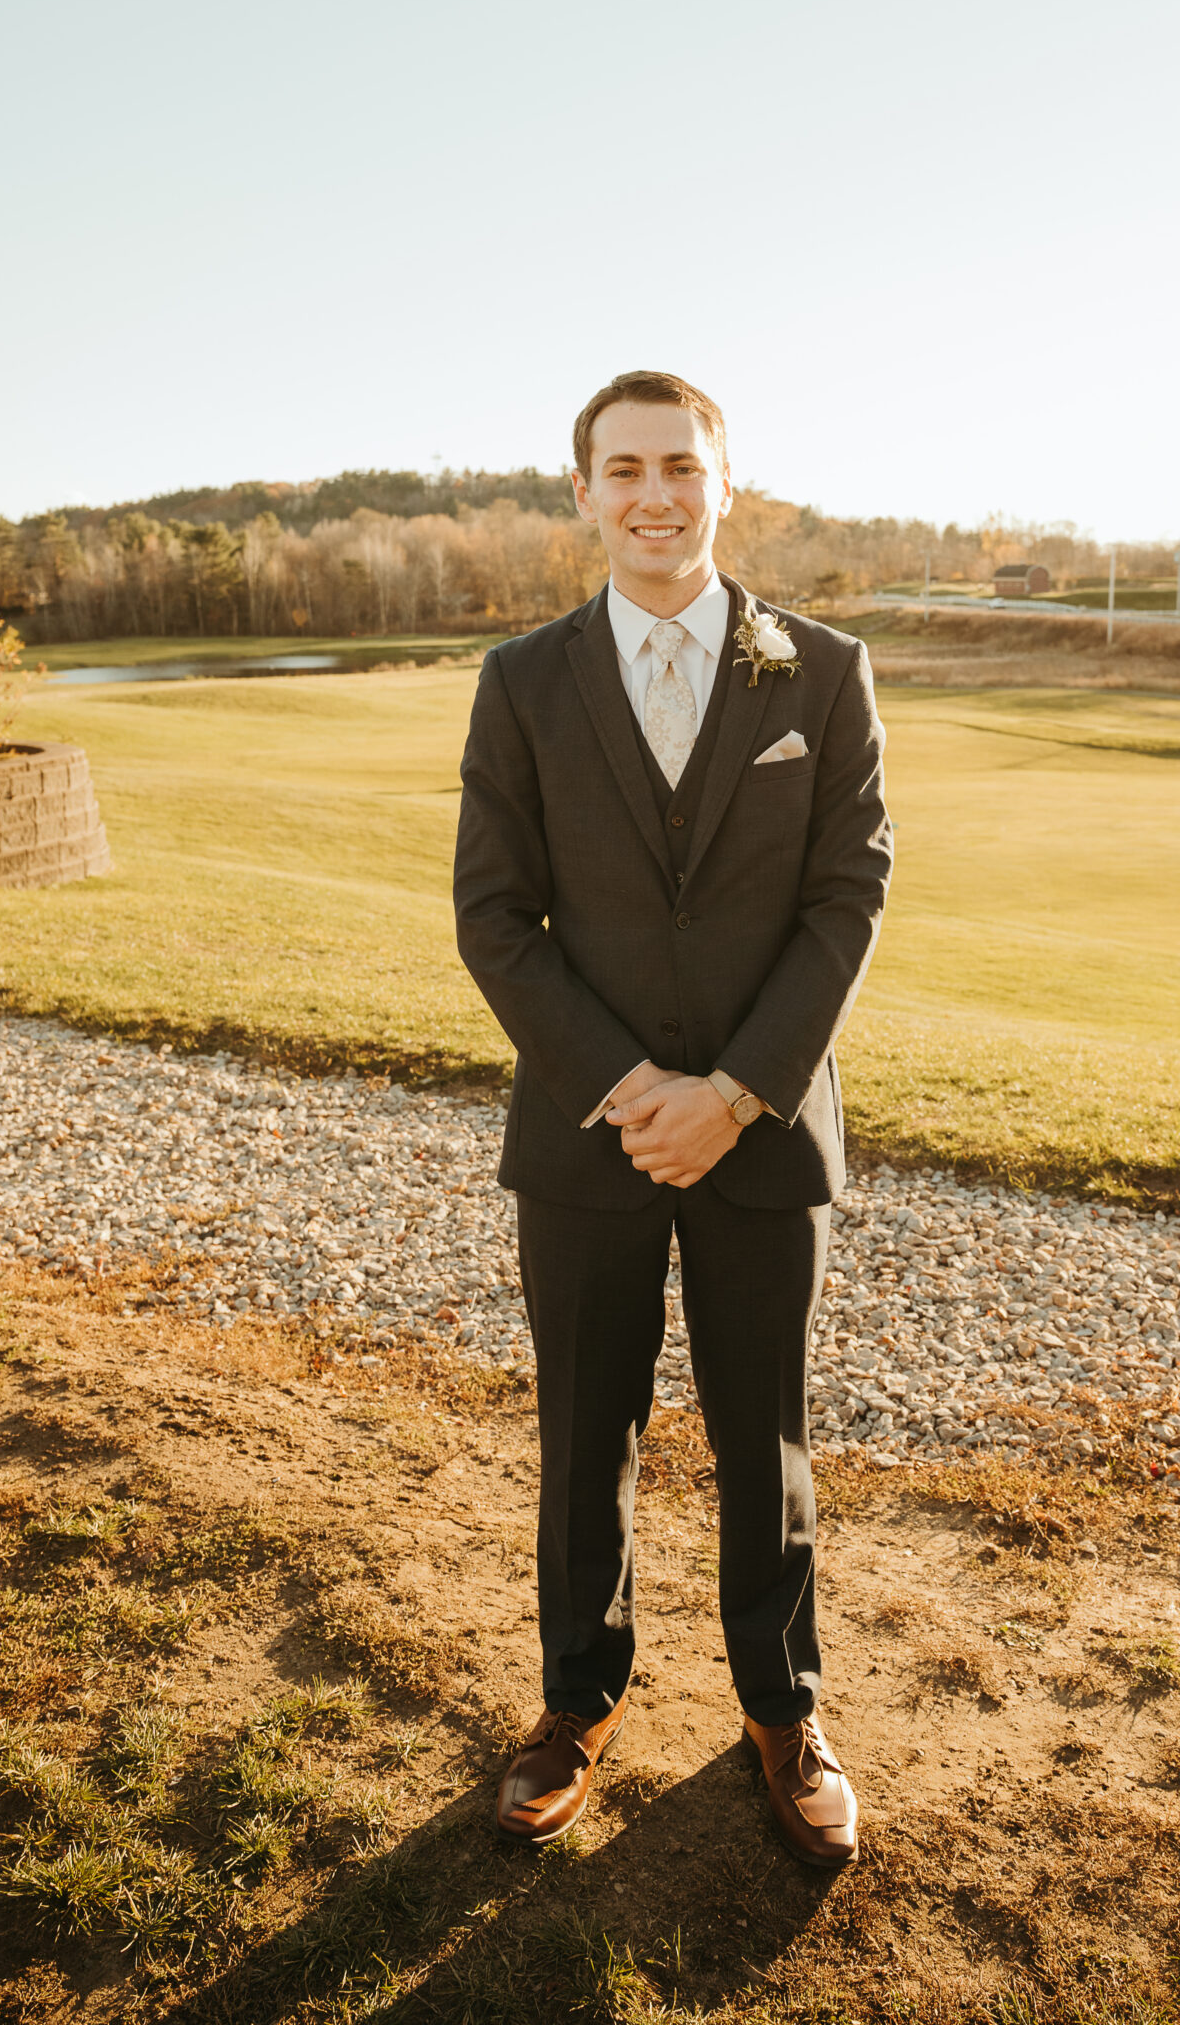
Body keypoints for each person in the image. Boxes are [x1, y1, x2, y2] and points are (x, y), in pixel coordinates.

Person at [453, 367, 892, 1865]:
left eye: (679, 468)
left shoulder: (821, 674)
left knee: (766, 1438)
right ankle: (575, 1702)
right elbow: (494, 917)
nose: (654, 494)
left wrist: (739, 1092)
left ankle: (784, 1710)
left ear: (724, 480)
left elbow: (849, 898)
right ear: (584, 493)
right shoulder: (520, 683)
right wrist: (634, 1095)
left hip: (767, 1136)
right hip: (589, 1140)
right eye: (622, 469)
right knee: (587, 1433)